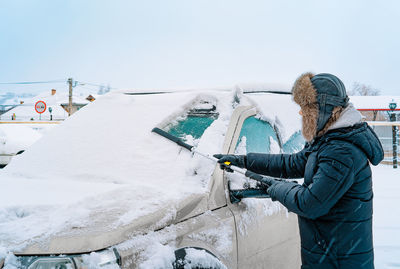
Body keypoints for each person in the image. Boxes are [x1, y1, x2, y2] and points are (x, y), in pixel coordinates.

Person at [214, 73, 384, 269]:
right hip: (328, 254)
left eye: (306, 109)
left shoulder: (342, 152)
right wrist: (244, 160)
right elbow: (293, 163)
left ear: (323, 110)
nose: (301, 114)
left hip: (338, 261)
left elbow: (310, 203)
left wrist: (277, 187)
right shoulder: (329, 140)